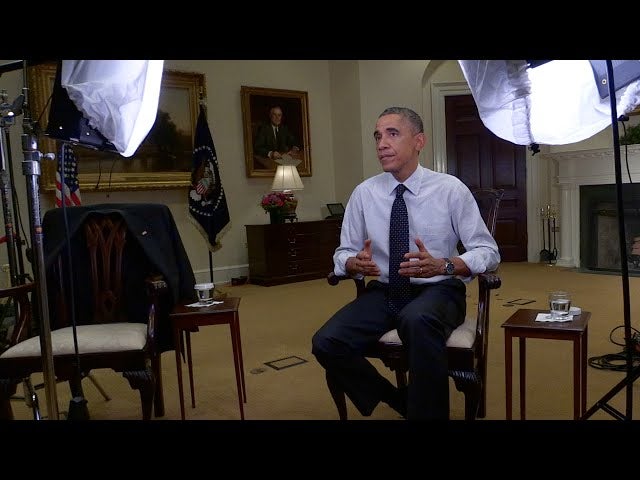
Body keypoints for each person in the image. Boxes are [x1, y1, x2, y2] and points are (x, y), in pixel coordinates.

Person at [311, 106, 500, 420]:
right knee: (326, 341)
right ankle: (400, 402)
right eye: (377, 136)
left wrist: (445, 265)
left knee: (417, 319)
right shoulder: (364, 193)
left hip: (439, 291)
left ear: (418, 142)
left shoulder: (450, 190)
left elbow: (488, 251)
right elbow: (343, 253)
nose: (381, 144)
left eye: (392, 134)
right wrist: (354, 263)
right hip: (385, 291)